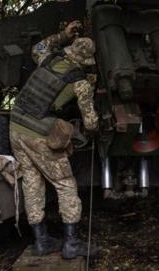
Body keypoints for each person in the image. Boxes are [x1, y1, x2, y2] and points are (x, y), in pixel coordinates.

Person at [9, 20, 99, 258]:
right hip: (38, 134)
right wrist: (91, 130)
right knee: (65, 183)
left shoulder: (46, 58)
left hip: (16, 126)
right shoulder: (80, 83)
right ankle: (71, 244)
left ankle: (41, 241)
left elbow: (38, 47)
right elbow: (90, 122)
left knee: (31, 182)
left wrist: (63, 34)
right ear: (86, 60)